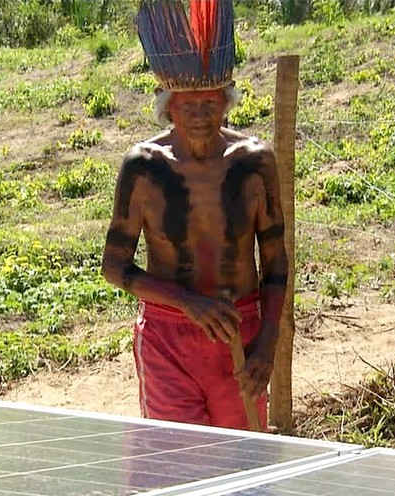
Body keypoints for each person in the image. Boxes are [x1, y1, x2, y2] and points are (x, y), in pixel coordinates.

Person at [101, 0, 287, 431]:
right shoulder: (144, 167)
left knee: (241, 458)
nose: (201, 116)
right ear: (168, 107)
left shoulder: (255, 162)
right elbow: (114, 266)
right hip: (168, 340)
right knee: (177, 458)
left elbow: (276, 260)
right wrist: (187, 303)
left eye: (210, 103)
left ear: (227, 102)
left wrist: (267, 343)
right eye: (189, 106)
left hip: (239, 333)